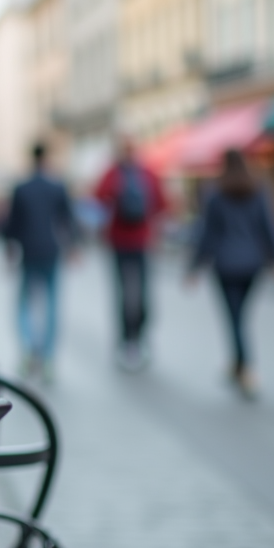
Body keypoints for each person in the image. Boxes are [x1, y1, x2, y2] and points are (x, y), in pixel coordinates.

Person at [187, 150, 274, 399]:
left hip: (225, 264)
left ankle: (246, 368)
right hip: (252, 264)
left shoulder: (215, 193)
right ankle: (238, 365)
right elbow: (270, 226)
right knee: (241, 316)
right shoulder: (258, 189)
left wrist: (195, 267)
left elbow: (207, 235)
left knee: (234, 318)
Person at [4, 143, 77, 383]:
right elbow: (68, 219)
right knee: (52, 305)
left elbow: (12, 224)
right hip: (51, 251)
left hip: (29, 251)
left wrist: (9, 249)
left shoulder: (21, 187)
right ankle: (47, 356)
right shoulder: (57, 186)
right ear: (46, 158)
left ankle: (29, 348)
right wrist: (73, 246)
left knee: (25, 303)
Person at [94, 133, 167, 371]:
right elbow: (163, 204)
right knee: (140, 293)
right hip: (140, 241)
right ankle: (137, 340)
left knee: (125, 294)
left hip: (121, 240)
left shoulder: (113, 173)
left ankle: (128, 342)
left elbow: (97, 196)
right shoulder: (148, 173)